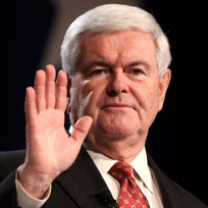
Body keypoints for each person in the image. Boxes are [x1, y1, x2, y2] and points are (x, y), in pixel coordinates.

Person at [0, 4, 207, 208]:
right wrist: (35, 182)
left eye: (136, 71)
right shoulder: (14, 174)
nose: (118, 85)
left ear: (161, 89)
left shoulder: (190, 204)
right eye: (99, 71)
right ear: (69, 91)